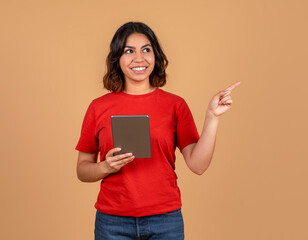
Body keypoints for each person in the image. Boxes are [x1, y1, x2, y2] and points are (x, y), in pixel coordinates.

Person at [75, 21, 240, 240]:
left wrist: (212, 117)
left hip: (165, 221)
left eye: (146, 49)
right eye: (129, 51)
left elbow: (198, 165)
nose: (139, 58)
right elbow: (82, 170)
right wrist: (106, 166)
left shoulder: (175, 105)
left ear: (156, 55)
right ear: (117, 58)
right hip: (112, 222)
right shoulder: (98, 107)